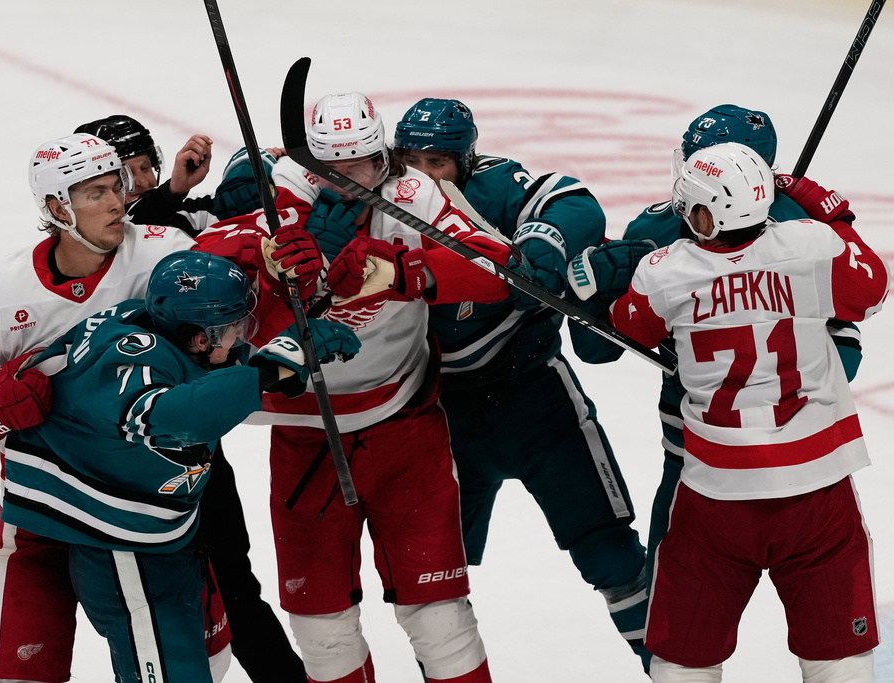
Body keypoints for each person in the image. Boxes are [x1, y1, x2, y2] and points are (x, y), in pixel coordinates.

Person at [0, 131, 322, 683]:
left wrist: (295, 279)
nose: (118, 200)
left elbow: (248, 316)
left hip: (166, 491)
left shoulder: (168, 253)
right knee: (23, 666)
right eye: (95, 192)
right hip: (44, 502)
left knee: (206, 654)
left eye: (117, 185)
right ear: (55, 208)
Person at [209, 91, 514, 683]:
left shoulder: (414, 193)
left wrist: (401, 272)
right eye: (334, 169)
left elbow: (498, 269)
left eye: (367, 165)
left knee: (441, 620)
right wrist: (265, 272)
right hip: (305, 438)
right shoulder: (281, 194)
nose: (352, 181)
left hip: (405, 429)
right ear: (309, 160)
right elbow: (203, 269)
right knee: (322, 631)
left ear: (386, 155)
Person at [0, 250, 360, 683]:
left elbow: (198, 377)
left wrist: (278, 366)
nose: (242, 340)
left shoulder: (157, 328)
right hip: (120, 542)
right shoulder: (127, 356)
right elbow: (177, 416)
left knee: (204, 658)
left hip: (162, 538)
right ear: (199, 337)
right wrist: (266, 371)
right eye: (232, 330)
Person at [380, 98, 649, 671]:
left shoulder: (499, 185)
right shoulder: (378, 201)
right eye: (412, 160)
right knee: (431, 580)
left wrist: (544, 244)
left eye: (438, 163)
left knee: (610, 551)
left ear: (466, 161)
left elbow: (569, 199)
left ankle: (671, 667)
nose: (423, 175)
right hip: (439, 418)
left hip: (535, 400)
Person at [565, 105, 864, 616]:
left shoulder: (659, 232)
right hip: (804, 465)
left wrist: (599, 281)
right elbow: (849, 346)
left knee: (677, 634)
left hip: (702, 464)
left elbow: (596, 347)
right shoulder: (808, 232)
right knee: (831, 634)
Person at [607, 142, 886, 682]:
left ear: (705, 214)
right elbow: (872, 293)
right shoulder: (811, 244)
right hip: (817, 491)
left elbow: (629, 325)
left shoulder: (663, 271)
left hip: (716, 497)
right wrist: (829, 208)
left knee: (684, 658)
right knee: (838, 656)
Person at [73, 114, 310, 682]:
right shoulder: (65, 258)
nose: (131, 190)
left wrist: (278, 180)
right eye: (115, 181)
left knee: (233, 578)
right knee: (75, 585)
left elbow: (229, 221)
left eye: (143, 171)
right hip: (94, 461)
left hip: (188, 436)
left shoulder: (175, 222)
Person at [75, 114, 285, 237]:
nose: (143, 182)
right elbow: (134, 223)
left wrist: (281, 176)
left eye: (147, 167)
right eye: (123, 175)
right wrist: (171, 192)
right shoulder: (87, 239)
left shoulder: (181, 216)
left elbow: (232, 209)